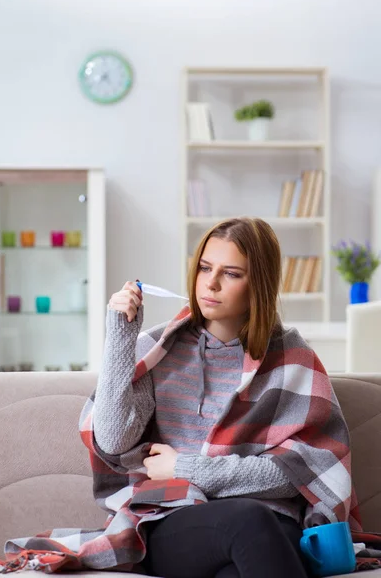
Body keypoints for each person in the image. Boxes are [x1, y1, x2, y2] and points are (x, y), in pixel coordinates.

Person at [92, 217, 358, 578]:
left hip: (268, 520)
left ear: (258, 284)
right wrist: (121, 334)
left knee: (242, 555)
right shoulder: (157, 351)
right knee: (248, 521)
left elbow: (295, 475)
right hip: (172, 517)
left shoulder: (291, 358)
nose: (211, 283)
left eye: (231, 273)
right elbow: (112, 438)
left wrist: (186, 467)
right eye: (204, 267)